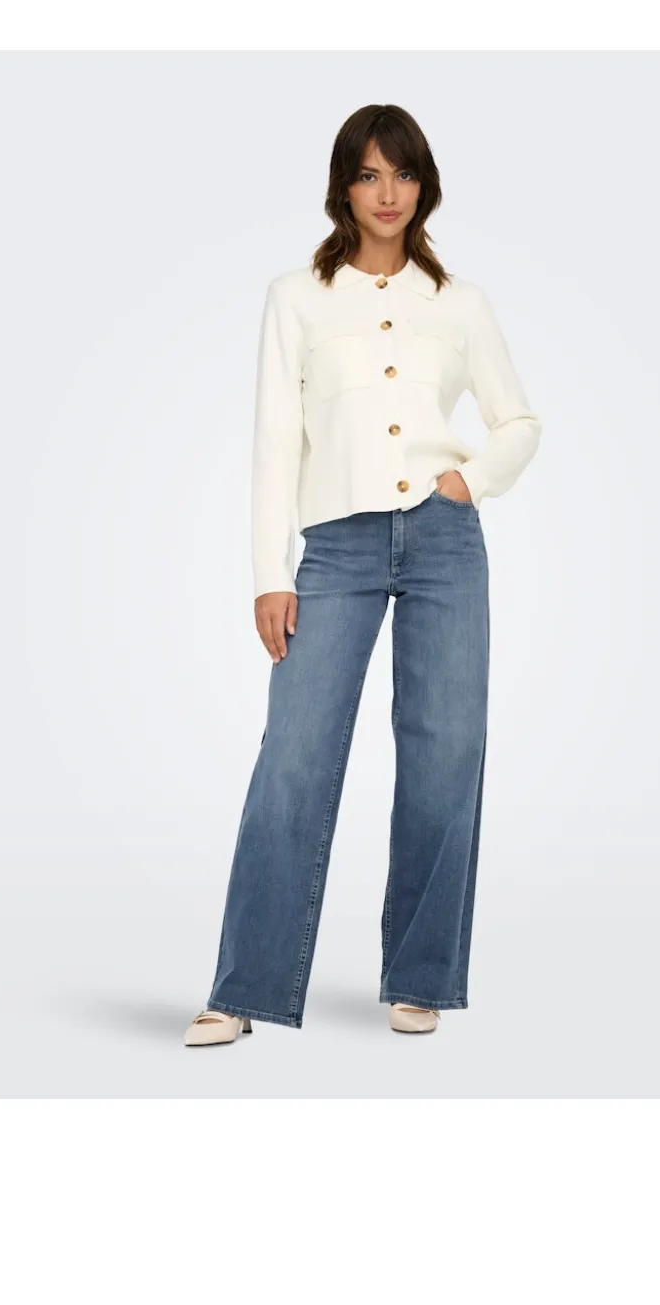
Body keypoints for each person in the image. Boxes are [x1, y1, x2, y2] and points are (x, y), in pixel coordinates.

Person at [185, 104, 542, 1046]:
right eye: (370, 174)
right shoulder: (297, 297)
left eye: (404, 174)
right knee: (295, 757)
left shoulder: (459, 303)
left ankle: (419, 976)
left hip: (443, 539)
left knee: (446, 752)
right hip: (335, 547)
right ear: (344, 185)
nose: (388, 193)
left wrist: (468, 482)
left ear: (425, 186)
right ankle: (244, 987)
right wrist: (270, 574)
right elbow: (275, 440)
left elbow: (519, 422)